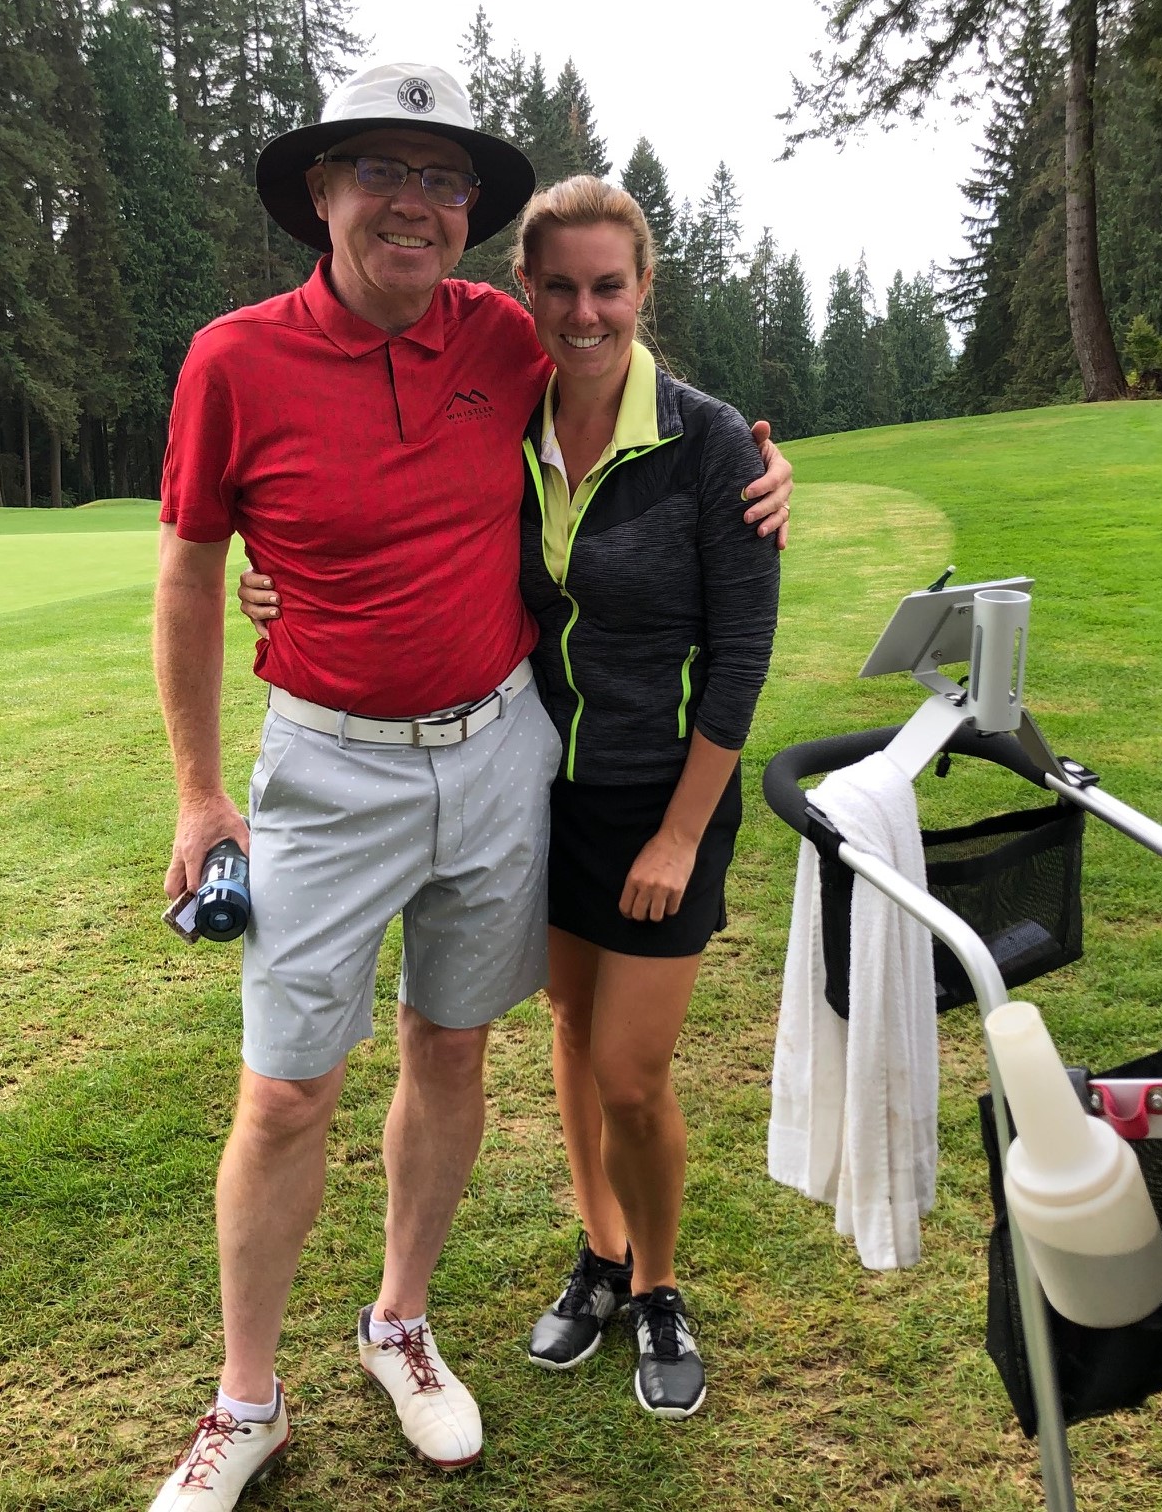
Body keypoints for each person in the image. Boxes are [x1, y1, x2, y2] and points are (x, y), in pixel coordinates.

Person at [149, 62, 790, 1512]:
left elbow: (638, 399)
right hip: (326, 766)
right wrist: (199, 793)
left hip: (501, 752)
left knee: (452, 1050)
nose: (414, 203)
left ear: (467, 218)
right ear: (322, 193)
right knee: (287, 1091)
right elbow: (191, 568)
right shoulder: (234, 359)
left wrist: (761, 464)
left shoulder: (502, 337)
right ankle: (245, 1401)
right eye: (381, 170)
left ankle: (402, 1324)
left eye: (441, 179)